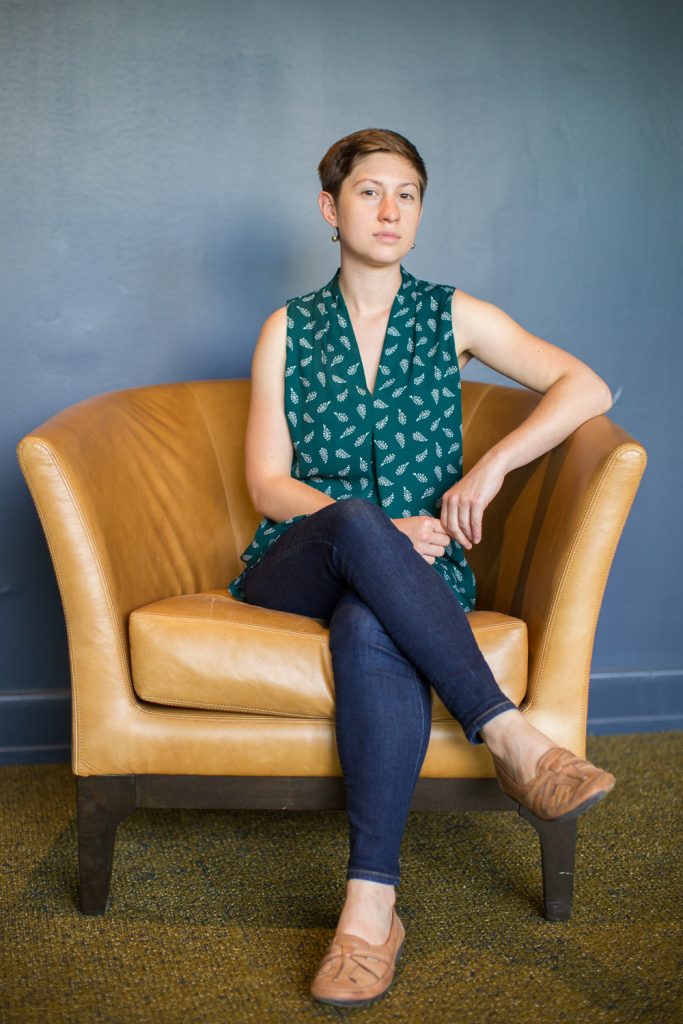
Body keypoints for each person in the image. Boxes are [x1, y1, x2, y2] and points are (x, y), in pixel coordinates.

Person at [227, 128, 616, 1007]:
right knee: (360, 523)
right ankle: (512, 738)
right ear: (331, 210)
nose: (390, 208)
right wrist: (376, 526)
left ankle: (369, 911)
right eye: (369, 192)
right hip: (299, 563)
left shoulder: (452, 316)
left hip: (412, 582)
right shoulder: (286, 329)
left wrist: (492, 465)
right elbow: (265, 480)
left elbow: (582, 387)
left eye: (406, 192)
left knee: (372, 621)